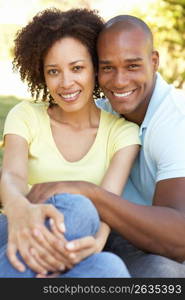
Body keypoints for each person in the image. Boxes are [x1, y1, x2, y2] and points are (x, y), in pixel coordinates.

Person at [26, 15, 185, 278]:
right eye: (107, 68)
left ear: (154, 62)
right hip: (98, 233)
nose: (119, 81)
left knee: (163, 274)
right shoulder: (102, 111)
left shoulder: (175, 122)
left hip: (154, 248)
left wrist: (92, 194)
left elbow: (179, 239)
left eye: (132, 66)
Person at [0, 9, 141, 277]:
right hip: (14, 227)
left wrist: (96, 243)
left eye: (77, 68)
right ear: (41, 74)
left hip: (75, 247)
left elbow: (108, 208)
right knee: (80, 206)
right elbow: (13, 176)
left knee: (111, 269)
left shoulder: (123, 134)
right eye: (54, 71)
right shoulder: (26, 116)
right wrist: (20, 211)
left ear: (96, 68)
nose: (66, 83)